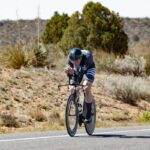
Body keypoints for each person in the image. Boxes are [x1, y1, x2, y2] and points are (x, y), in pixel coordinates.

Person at [64, 48, 96, 123]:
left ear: (81, 58)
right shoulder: (70, 59)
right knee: (73, 89)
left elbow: (82, 74)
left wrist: (84, 83)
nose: (74, 62)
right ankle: (79, 111)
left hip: (89, 69)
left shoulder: (87, 57)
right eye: (73, 60)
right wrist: (69, 71)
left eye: (76, 60)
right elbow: (71, 73)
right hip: (78, 70)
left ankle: (88, 114)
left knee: (86, 87)